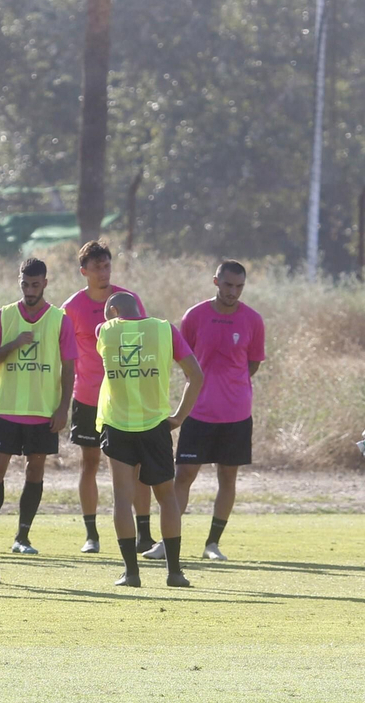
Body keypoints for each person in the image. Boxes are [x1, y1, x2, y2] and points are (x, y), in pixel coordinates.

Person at [97, 292, 203, 587]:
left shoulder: (104, 331)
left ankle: (131, 573)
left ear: (114, 310)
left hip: (118, 425)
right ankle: (174, 572)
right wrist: (179, 417)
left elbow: (105, 330)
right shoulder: (165, 329)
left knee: (122, 499)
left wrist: (110, 316)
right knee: (166, 498)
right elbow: (196, 375)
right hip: (156, 426)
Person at [61, 241, 153, 556]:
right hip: (87, 397)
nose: (103, 273)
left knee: (136, 465)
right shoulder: (71, 307)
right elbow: (63, 353)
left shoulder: (129, 301)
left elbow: (144, 342)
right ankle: (91, 535)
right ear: (83, 271)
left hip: (125, 396)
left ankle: (143, 534)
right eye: (97, 267)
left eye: (107, 266)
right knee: (90, 463)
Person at [173, 261, 266, 562]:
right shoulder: (195, 316)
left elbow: (252, 364)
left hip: (236, 413)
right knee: (184, 475)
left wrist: (231, 385)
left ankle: (212, 544)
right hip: (198, 411)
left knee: (228, 477)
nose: (233, 292)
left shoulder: (252, 320)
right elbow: (184, 357)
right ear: (216, 282)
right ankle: (168, 540)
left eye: (239, 287)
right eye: (228, 285)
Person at [0, 258, 77, 555]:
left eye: (35, 284)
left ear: (45, 283)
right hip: (6, 408)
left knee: (35, 471)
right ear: (19, 282)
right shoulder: (3, 316)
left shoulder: (59, 319)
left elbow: (69, 367)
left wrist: (64, 408)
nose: (30, 290)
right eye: (25, 284)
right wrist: (13, 345)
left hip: (42, 411)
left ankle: (22, 537)